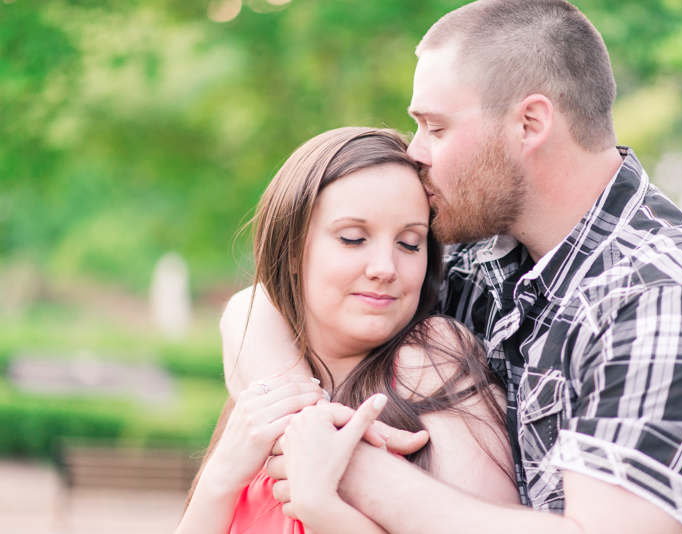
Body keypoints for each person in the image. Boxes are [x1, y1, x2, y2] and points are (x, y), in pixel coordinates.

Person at [221, 1, 682, 533]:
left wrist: (350, 469)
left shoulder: (670, 303)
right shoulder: (482, 262)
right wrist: (304, 417)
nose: (416, 151)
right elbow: (261, 303)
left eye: (436, 127)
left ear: (530, 124)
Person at [176, 127, 520, 534]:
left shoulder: (428, 361)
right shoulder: (263, 389)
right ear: (291, 251)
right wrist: (220, 478)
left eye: (410, 244)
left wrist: (327, 510)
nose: (385, 268)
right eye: (353, 239)